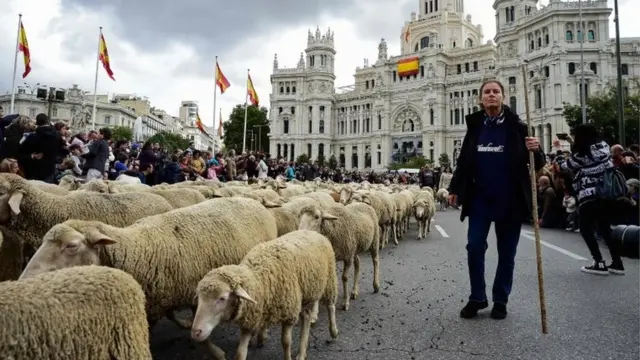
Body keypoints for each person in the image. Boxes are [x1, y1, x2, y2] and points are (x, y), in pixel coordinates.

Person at [447, 79, 545, 320]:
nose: (491, 95)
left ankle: (500, 300)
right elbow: (463, 162)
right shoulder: (475, 127)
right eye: (487, 92)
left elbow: (538, 163)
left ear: (503, 97)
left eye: (496, 92)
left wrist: (537, 149)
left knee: (507, 254)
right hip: (480, 199)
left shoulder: (519, 127)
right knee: (474, 247)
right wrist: (454, 188)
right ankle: (477, 297)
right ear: (480, 99)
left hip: (510, 200)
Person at [554, 124, 625, 275]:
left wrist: (559, 150)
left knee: (586, 228)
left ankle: (599, 262)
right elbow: (587, 151)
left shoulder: (582, 154)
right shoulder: (604, 146)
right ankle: (617, 262)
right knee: (605, 229)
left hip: (589, 196)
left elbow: (564, 166)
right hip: (607, 193)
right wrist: (570, 140)